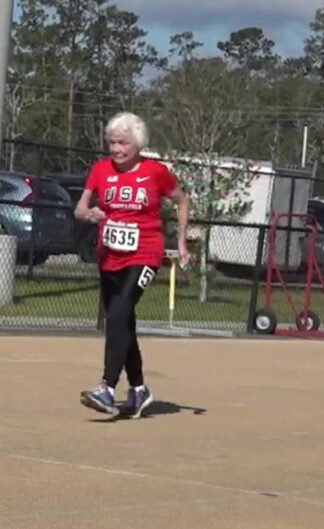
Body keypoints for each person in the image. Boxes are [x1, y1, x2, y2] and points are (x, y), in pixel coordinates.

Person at [75, 112, 189, 418]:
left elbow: (181, 200)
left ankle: (107, 388)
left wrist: (181, 241)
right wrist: (90, 214)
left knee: (118, 313)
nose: (116, 148)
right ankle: (139, 390)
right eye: (112, 142)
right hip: (109, 255)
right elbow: (80, 208)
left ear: (137, 144)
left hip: (145, 253)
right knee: (121, 321)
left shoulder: (155, 172)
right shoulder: (100, 170)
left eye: (123, 143)